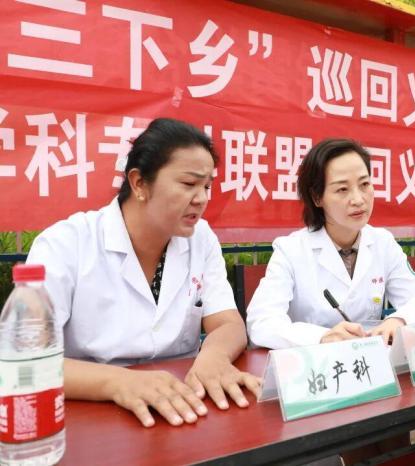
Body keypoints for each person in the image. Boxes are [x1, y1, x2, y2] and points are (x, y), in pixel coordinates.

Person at [26, 118, 260, 428]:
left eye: (206, 186)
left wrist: (214, 356)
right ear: (139, 183)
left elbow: (229, 323)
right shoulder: (65, 244)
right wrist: (117, 382)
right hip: (89, 417)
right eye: (188, 184)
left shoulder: (201, 238)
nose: (202, 198)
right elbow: (26, 361)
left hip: (185, 405)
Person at [246, 138, 415, 349]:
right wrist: (322, 337)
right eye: (342, 189)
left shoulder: (382, 242)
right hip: (314, 365)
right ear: (317, 197)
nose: (358, 199)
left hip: (370, 362)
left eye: (364, 184)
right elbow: (262, 322)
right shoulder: (291, 250)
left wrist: (400, 319)